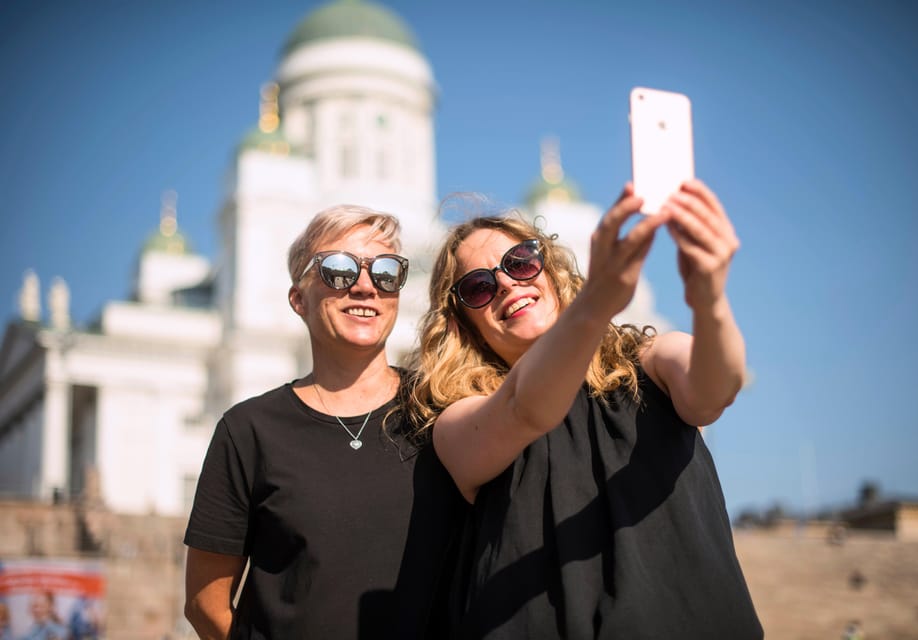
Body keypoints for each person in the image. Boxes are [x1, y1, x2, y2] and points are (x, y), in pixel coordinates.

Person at [408, 180, 763, 638]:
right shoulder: (459, 421)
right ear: (462, 324)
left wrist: (709, 299)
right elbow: (525, 409)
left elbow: (715, 390)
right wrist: (595, 305)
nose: (507, 284)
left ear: (550, 270)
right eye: (478, 286)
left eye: (520, 261)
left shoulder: (646, 362)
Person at [184, 205, 465, 639]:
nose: (366, 287)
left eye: (386, 272)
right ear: (299, 299)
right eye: (339, 270)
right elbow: (205, 603)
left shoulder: (440, 409)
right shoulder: (250, 431)